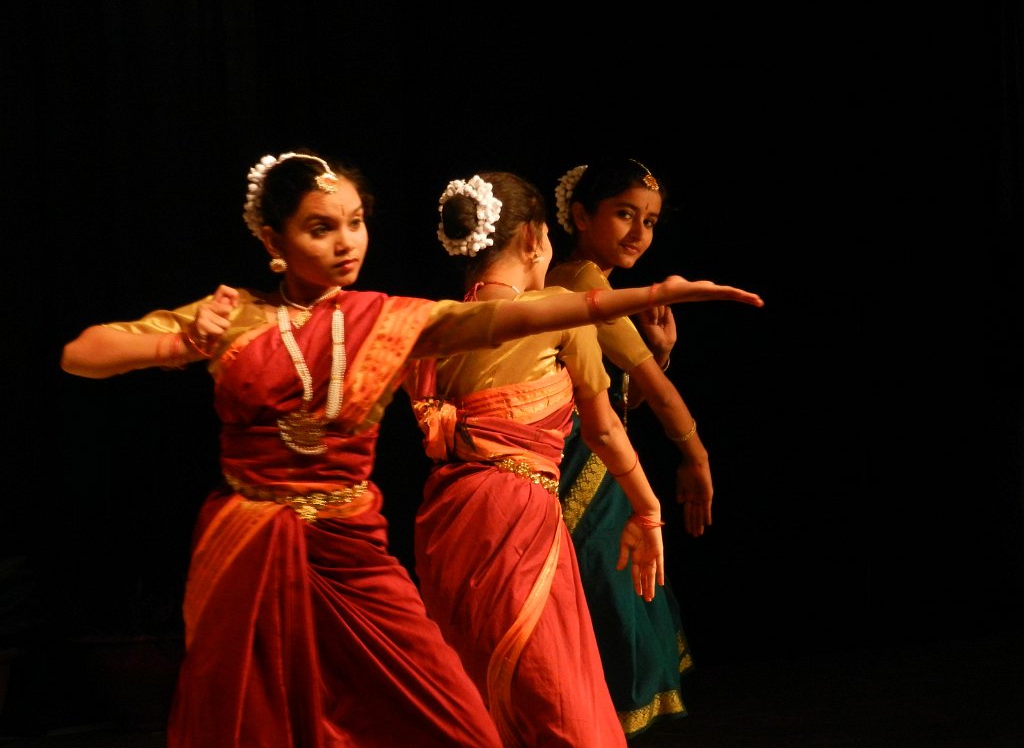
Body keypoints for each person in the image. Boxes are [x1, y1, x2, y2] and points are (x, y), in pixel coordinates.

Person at [59, 150, 763, 748]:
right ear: (273, 238)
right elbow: (82, 354)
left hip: (354, 548)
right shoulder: (234, 315)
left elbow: (518, 317)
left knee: (455, 719)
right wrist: (178, 343)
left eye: (356, 223)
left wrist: (647, 295)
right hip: (252, 540)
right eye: (321, 228)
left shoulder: (386, 319)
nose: (346, 242)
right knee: (256, 717)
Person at [408, 171, 671, 747]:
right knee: (556, 697)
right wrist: (648, 510)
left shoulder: (431, 322)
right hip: (515, 518)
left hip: (445, 523)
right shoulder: (558, 309)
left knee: (475, 692)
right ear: (532, 237)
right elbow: (604, 429)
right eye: (548, 235)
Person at [546, 158, 735, 738]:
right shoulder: (582, 281)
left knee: (618, 593)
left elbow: (616, 397)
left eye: (649, 221)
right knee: (611, 597)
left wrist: (659, 351)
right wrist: (697, 459)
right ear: (581, 216)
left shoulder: (590, 280)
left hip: (598, 461)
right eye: (625, 214)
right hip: (580, 467)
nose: (639, 233)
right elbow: (654, 390)